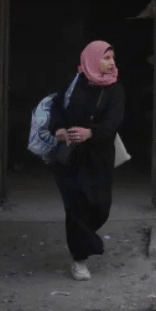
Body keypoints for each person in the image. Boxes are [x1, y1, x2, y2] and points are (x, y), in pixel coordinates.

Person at [49, 40, 125, 281]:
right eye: (106, 58)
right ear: (92, 59)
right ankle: (79, 259)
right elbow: (56, 108)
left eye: (113, 58)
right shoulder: (73, 83)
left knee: (100, 206)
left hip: (99, 156)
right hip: (70, 156)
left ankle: (84, 239)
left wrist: (91, 133)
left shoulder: (115, 90)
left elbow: (113, 122)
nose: (112, 63)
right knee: (76, 207)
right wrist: (59, 129)